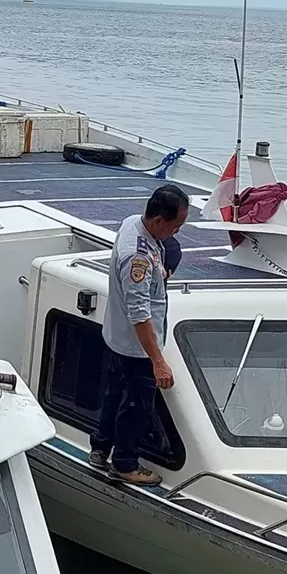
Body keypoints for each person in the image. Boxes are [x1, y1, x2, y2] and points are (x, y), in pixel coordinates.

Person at [89, 185, 190, 486]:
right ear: (159, 220)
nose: (177, 232)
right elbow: (140, 314)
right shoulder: (138, 260)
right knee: (136, 405)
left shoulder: (132, 222)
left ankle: (99, 447)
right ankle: (124, 463)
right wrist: (157, 361)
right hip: (136, 349)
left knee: (113, 393)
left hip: (116, 338)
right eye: (176, 226)